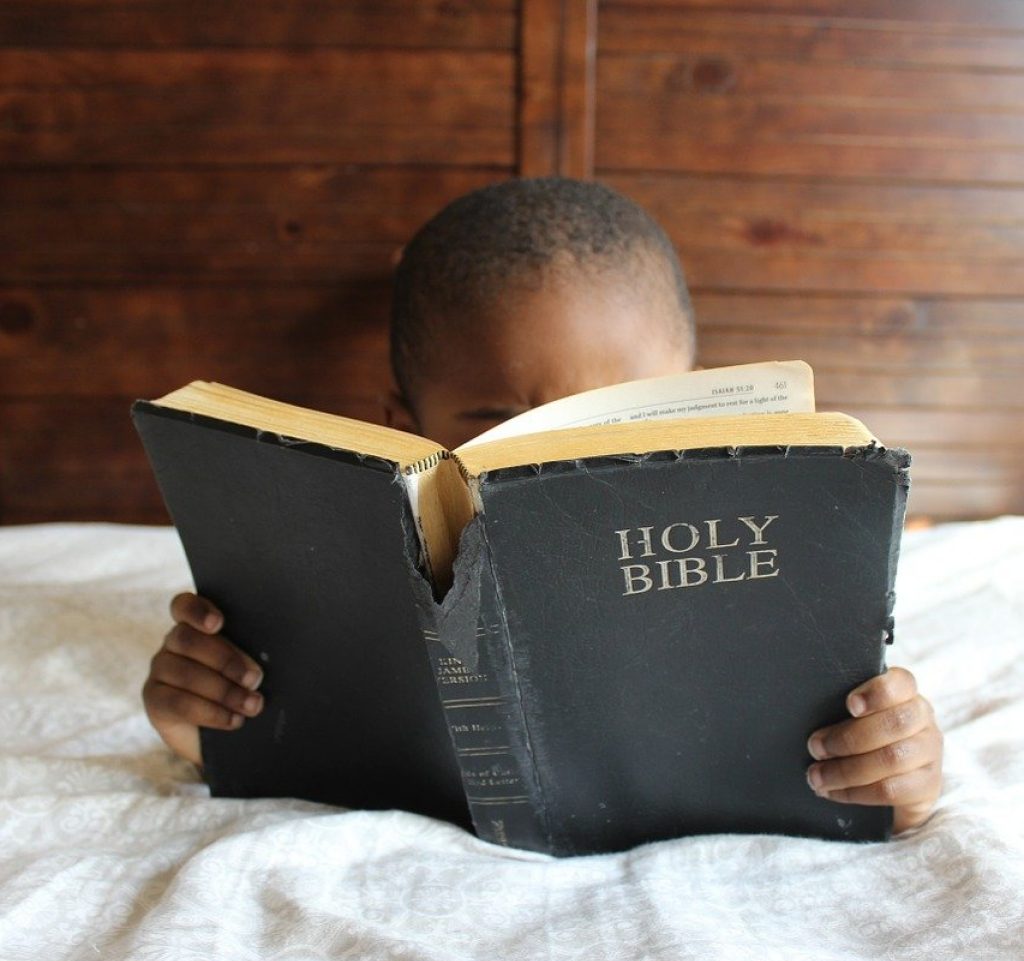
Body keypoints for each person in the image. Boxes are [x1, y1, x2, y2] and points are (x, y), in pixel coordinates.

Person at [142, 178, 943, 834]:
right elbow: (272, 737)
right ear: (401, 428)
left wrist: (894, 773)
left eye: (624, 417)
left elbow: (873, 765)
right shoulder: (340, 580)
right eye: (502, 428)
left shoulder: (771, 566)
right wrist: (204, 722)